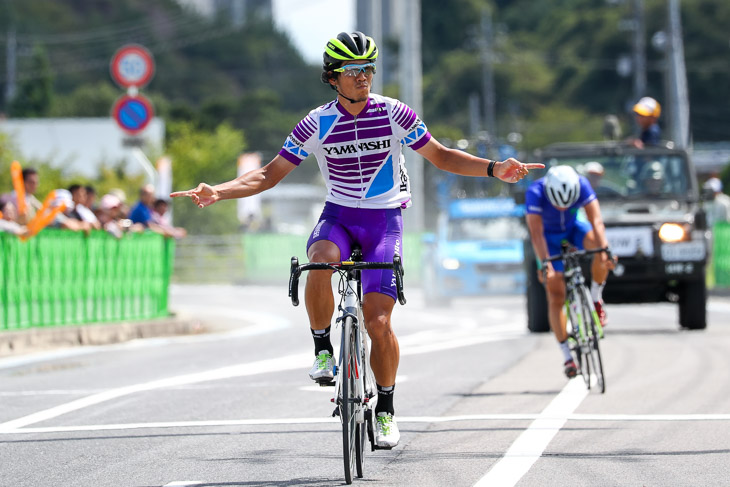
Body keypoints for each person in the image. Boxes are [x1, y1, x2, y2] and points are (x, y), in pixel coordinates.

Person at [171, 31, 543, 448]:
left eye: (367, 68)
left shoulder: (394, 113)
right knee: (319, 259)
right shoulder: (317, 122)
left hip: (385, 220)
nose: (363, 77)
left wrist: (494, 169)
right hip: (340, 217)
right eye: (352, 71)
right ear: (333, 78)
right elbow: (267, 174)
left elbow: (440, 155)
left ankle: (385, 409)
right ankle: (322, 349)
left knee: (378, 322)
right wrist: (219, 190)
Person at [525, 165, 615, 379]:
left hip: (574, 229)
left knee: (598, 248)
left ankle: (595, 300)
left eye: (568, 205)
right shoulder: (535, 192)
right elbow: (536, 234)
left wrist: (606, 249)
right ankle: (567, 356)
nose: (563, 209)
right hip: (548, 239)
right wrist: (544, 264)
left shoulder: (582, 184)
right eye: (558, 205)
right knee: (555, 293)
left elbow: (597, 221)